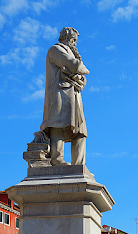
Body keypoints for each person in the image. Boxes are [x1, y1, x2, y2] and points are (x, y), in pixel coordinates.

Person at [41, 27, 90, 166]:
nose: (74, 43)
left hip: (75, 97)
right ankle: (57, 160)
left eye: (75, 40)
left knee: (81, 132)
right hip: (59, 94)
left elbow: (82, 80)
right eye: (72, 39)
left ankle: (79, 165)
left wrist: (79, 75)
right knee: (58, 125)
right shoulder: (55, 50)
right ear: (65, 38)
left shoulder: (72, 53)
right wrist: (81, 70)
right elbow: (75, 66)